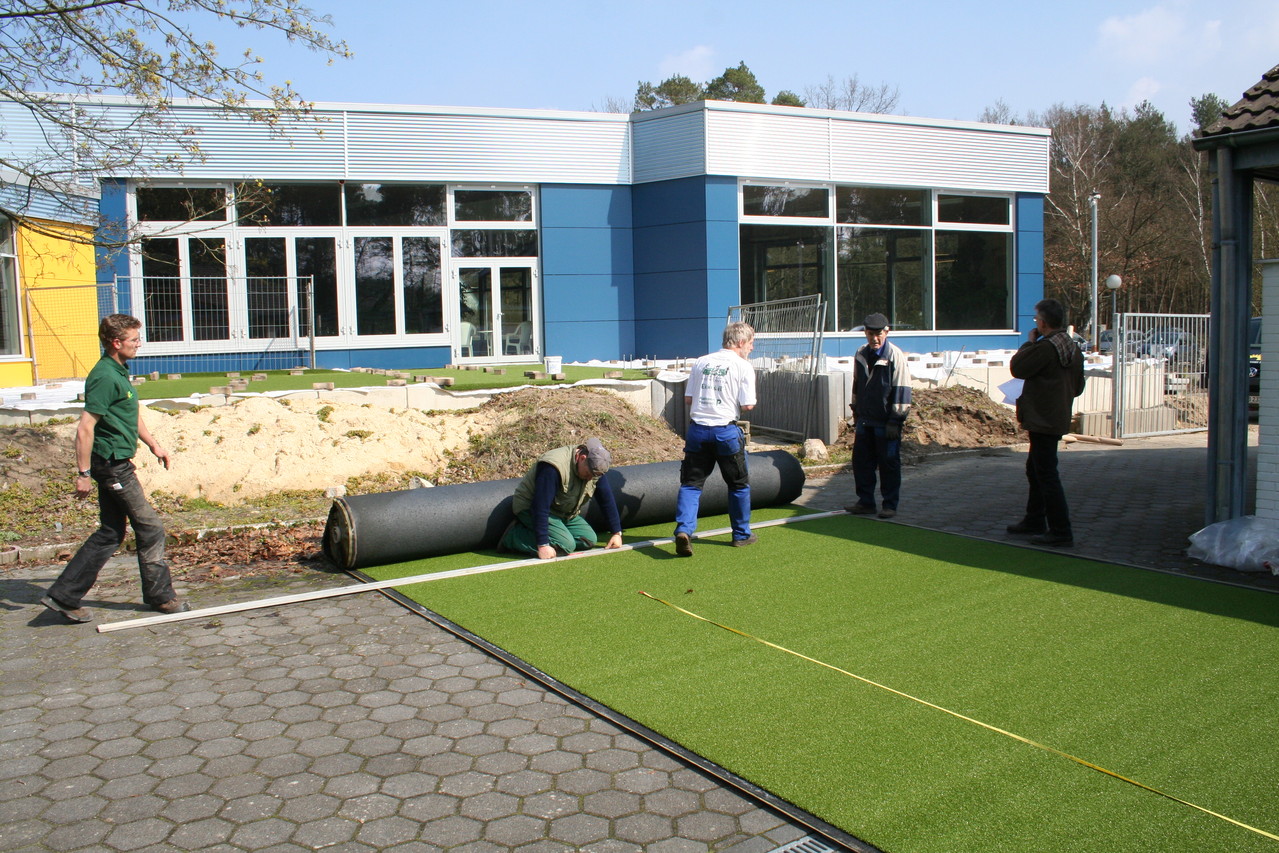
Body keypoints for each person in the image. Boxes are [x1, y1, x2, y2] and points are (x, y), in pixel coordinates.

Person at [41, 315, 189, 623]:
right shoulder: (105, 377)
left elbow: (129, 415)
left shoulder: (119, 372)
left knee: (111, 532)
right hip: (112, 466)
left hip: (116, 462)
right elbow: (85, 428)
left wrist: (153, 445)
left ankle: (64, 595)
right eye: (134, 339)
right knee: (150, 526)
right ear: (115, 342)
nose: (139, 344)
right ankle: (161, 597)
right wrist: (82, 473)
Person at [673, 321, 758, 556]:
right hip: (725, 432)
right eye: (751, 344)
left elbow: (688, 399)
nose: (751, 348)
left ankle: (683, 530)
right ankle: (741, 535)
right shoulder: (743, 366)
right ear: (740, 342)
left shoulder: (701, 361)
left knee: (691, 485)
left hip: (698, 431)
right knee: (738, 485)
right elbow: (748, 405)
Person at [1007, 298, 1086, 548]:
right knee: (1036, 469)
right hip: (1056, 415)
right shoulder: (1072, 348)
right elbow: (1079, 386)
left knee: (1046, 474)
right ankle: (1034, 519)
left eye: (1036, 319)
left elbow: (1018, 368)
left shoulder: (1045, 347)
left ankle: (1061, 530)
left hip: (1043, 418)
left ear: (1042, 322)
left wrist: (1030, 342)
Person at [502, 437, 624, 559]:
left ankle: (554, 536)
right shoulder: (553, 467)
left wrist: (616, 533)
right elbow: (540, 505)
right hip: (531, 509)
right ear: (582, 458)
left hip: (564, 512)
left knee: (588, 540)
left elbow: (606, 499)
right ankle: (513, 536)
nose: (589, 479)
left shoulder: (595, 467)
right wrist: (543, 545)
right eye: (588, 474)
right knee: (566, 545)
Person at [844, 313, 913, 519]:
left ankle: (889, 505)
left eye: (879, 334)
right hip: (865, 420)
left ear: (887, 332)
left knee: (888, 464)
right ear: (865, 333)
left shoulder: (894, 355)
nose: (874, 338)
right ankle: (866, 502)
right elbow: (856, 386)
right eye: (870, 334)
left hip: (887, 423)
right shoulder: (860, 354)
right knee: (861, 463)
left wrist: (895, 420)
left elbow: (902, 389)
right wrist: (855, 411)